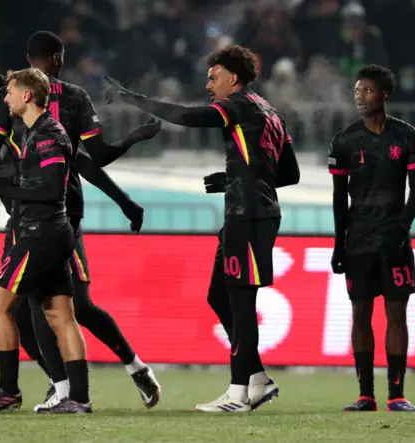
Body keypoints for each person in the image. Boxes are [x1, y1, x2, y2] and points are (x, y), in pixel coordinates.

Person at [105, 44, 300, 412]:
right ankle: (257, 378)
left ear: (234, 78)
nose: (209, 83)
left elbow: (185, 116)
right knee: (218, 295)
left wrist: (132, 98)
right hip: (249, 209)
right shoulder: (270, 111)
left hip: (250, 215)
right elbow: (289, 173)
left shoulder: (238, 104)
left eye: (215, 77)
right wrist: (234, 177)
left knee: (241, 302)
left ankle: (239, 393)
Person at [0, 31, 162, 413]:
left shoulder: (32, 112)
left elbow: (70, 163)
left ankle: (109, 374)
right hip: (50, 214)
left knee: (56, 306)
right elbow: (92, 159)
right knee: (55, 306)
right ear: (58, 58)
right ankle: (69, 388)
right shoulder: (62, 102)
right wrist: (127, 174)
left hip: (47, 214)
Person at [0, 67, 92, 414]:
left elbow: (54, 189)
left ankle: (8, 390)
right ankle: (79, 399)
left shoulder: (48, 135)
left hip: (41, 234)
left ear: (27, 96)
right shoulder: (34, 133)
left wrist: (7, 188)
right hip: (51, 234)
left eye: (8, 92)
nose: (3, 99)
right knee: (59, 315)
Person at [328, 64, 415, 412]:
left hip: (395, 240)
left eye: (367, 90)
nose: (359, 96)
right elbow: (340, 198)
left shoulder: (408, 136)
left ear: (384, 94)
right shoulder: (343, 140)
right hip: (358, 240)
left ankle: (397, 395)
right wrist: (339, 243)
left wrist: (400, 230)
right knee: (360, 313)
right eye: (356, 91)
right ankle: (365, 395)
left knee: (397, 313)